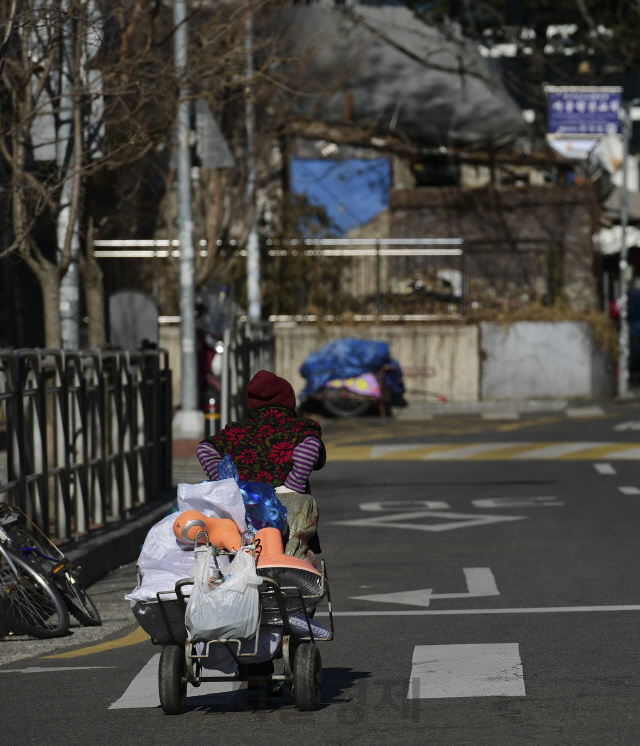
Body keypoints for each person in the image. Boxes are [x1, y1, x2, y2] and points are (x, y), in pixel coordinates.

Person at [197, 369, 326, 565]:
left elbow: (205, 448)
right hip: (287, 509)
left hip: (242, 512)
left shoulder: (234, 432)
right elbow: (310, 447)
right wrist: (293, 486)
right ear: (289, 402)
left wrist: (227, 485)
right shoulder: (300, 427)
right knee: (292, 559)